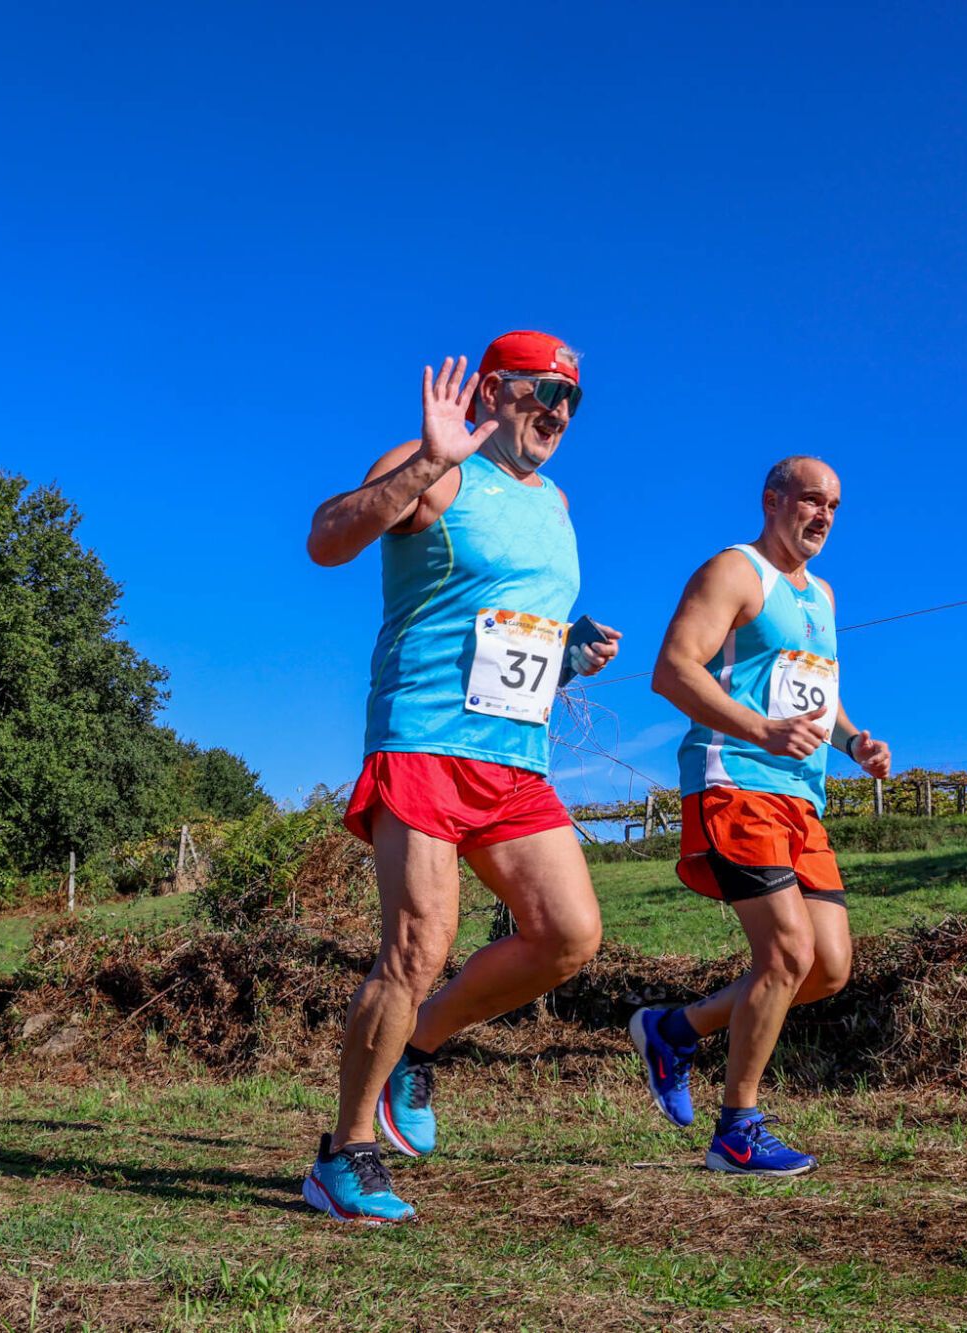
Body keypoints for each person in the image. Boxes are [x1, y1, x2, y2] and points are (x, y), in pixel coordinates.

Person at [301, 331, 621, 1223]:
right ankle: (343, 1153)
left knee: (569, 934)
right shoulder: (437, 464)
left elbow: (497, 634)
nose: (556, 412)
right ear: (490, 390)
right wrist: (422, 465)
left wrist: (565, 654)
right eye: (538, 392)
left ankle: (422, 1044)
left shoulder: (556, 503)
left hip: (515, 758)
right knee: (416, 946)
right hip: (424, 741)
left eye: (571, 400)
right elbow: (326, 539)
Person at [632, 455, 891, 1177]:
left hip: (802, 797)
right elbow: (673, 669)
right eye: (811, 499)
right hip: (735, 779)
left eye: (835, 505)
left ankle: (673, 1029)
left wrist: (852, 738)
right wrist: (759, 731)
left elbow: (818, 689)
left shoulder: (825, 595)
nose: (824, 516)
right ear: (772, 499)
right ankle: (737, 1127)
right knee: (785, 955)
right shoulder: (734, 571)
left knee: (829, 966)